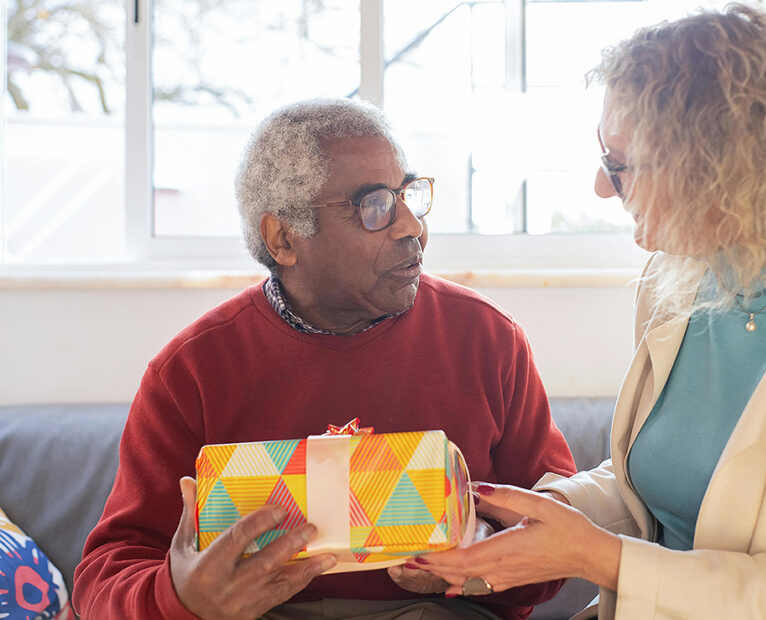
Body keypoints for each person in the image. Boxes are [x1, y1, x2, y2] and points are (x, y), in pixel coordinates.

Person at [415, 5, 766, 618]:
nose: (602, 189)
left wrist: (595, 558)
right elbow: (648, 488)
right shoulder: (678, 277)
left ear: (716, 172)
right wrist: (517, 524)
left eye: (618, 165)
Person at [72, 98, 576, 620]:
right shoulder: (191, 372)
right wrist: (181, 600)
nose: (412, 228)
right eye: (374, 205)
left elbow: (563, 523)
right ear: (284, 238)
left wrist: (482, 556)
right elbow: (105, 575)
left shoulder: (487, 339)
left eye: (409, 196)